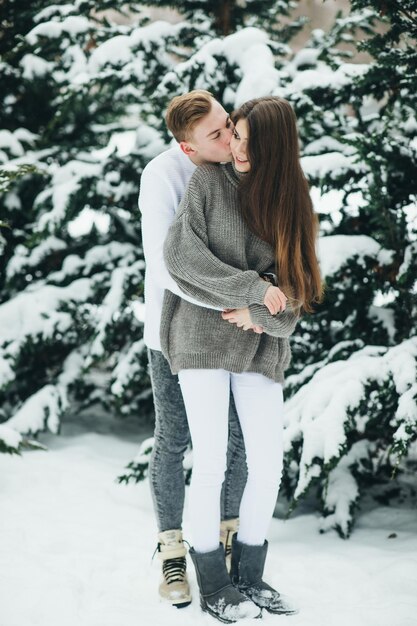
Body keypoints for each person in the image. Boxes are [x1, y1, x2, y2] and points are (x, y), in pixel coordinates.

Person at [161, 96, 323, 622]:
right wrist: (252, 288)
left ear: (275, 147)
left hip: (260, 344)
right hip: (201, 337)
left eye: (248, 140)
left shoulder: (291, 199)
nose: (235, 146)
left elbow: (298, 287)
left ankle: (249, 576)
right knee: (210, 462)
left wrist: (264, 315)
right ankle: (212, 581)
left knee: (268, 461)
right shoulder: (209, 181)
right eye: (234, 133)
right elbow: (180, 257)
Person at [138, 90, 257, 609]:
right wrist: (234, 295)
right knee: (175, 437)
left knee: (236, 436)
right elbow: (167, 265)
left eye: (229, 123)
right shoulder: (162, 175)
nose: (231, 137)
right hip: (174, 332)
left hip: (238, 326)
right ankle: (171, 547)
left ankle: (227, 533)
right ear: (188, 148)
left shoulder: (241, 163)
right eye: (217, 134)